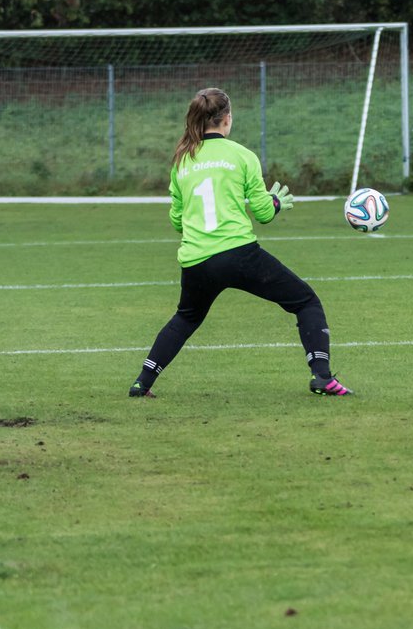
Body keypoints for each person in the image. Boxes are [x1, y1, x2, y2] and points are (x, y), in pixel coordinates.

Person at [129, 88, 352, 397]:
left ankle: (142, 383)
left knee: (186, 317)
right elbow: (262, 213)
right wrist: (275, 202)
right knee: (306, 302)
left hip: (196, 260)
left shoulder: (182, 161)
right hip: (238, 254)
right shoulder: (241, 155)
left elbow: (177, 222)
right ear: (227, 119)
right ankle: (322, 377)